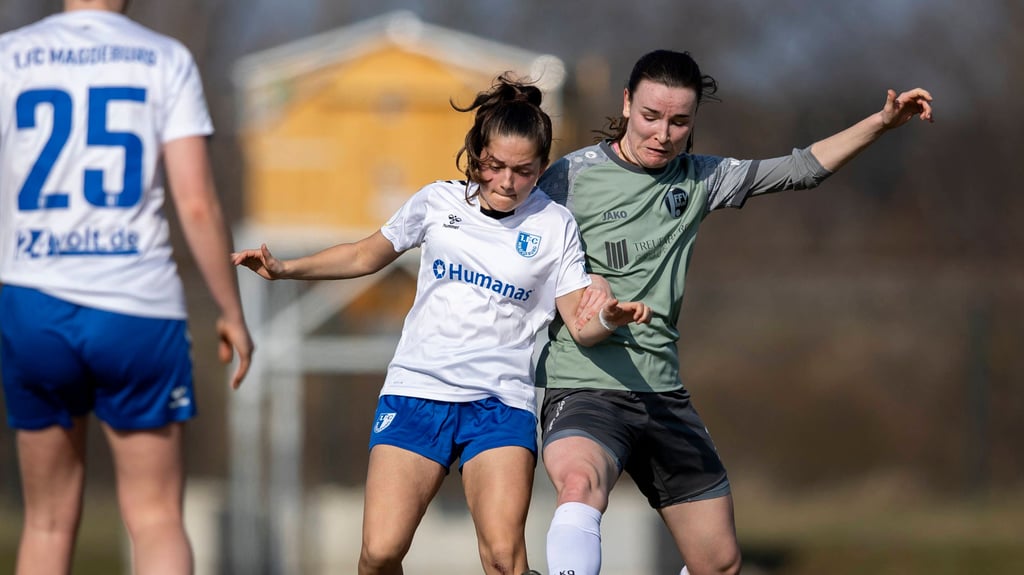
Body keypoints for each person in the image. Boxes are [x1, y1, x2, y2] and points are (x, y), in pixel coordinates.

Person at [535, 49, 934, 575]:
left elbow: (799, 170)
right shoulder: (567, 179)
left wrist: (882, 123)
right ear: (627, 103)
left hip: (661, 391)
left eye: (679, 121)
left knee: (719, 562)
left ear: (694, 120)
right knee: (580, 485)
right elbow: (507, 235)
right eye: (651, 116)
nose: (663, 133)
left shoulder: (701, 178)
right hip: (584, 384)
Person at [233, 75, 652, 575]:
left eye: (523, 170)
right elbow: (366, 253)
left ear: (541, 167)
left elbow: (579, 326)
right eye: (495, 166)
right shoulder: (437, 202)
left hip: (500, 404)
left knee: (503, 557)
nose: (506, 181)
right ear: (476, 155)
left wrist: (608, 315)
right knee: (380, 553)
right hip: (417, 393)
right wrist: (284, 269)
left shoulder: (554, 225)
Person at [0, 1, 254, 574]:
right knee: (157, 517)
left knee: (45, 521)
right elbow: (195, 202)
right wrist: (230, 310)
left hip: (33, 301)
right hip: (136, 308)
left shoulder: (10, 55)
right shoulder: (164, 58)